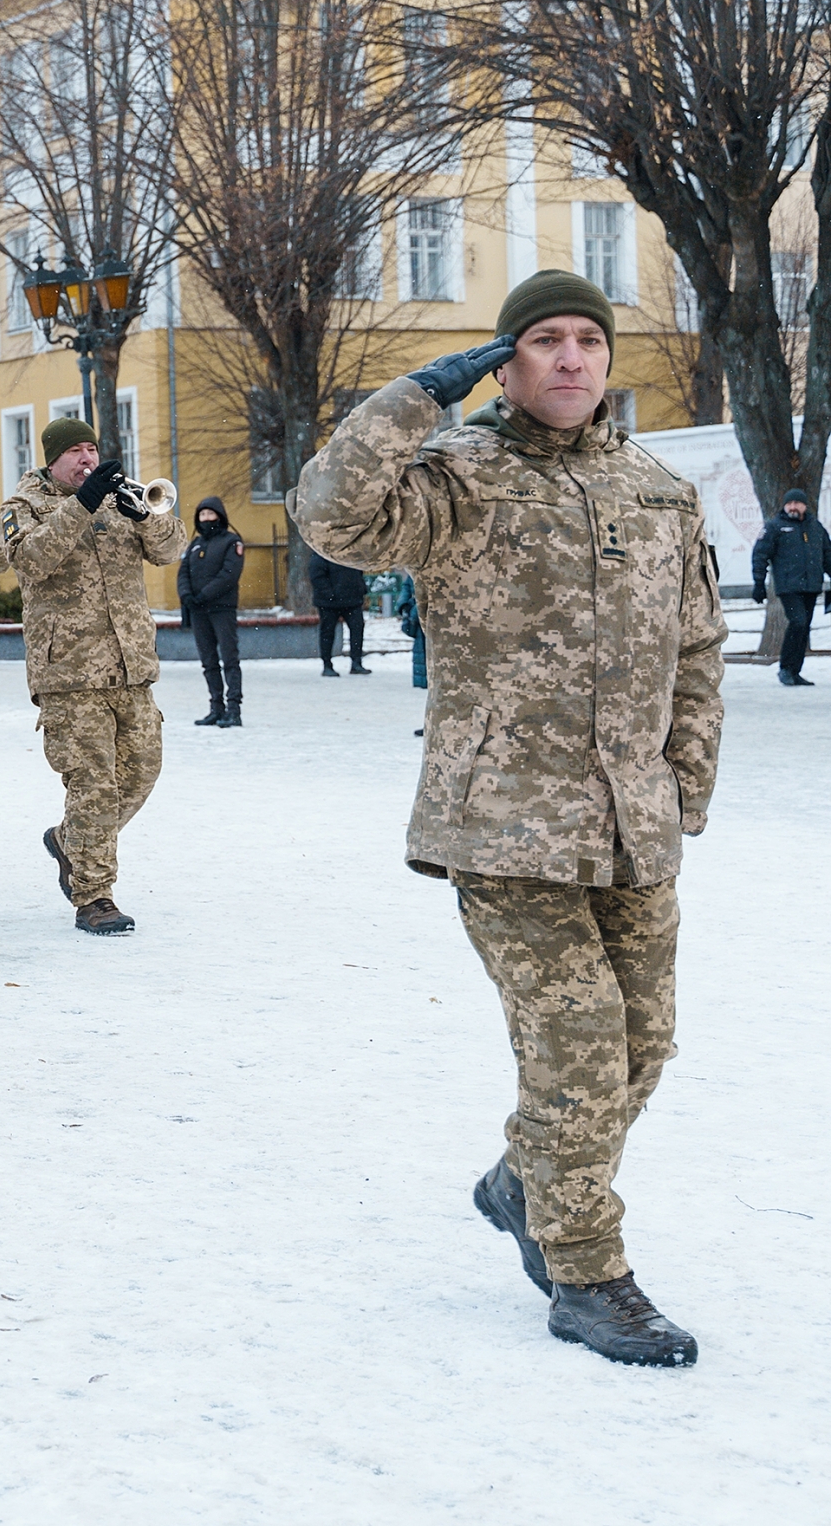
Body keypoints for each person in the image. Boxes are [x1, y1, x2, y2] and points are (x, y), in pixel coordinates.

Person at [293, 267, 723, 1368]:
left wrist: (684, 783)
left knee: (645, 1045)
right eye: (541, 340)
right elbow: (327, 516)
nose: (568, 358)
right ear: (507, 360)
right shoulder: (453, 481)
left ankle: (520, 1178)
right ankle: (585, 1270)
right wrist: (408, 400)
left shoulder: (657, 491)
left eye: (587, 338)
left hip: (633, 821)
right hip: (502, 822)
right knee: (578, 1051)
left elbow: (694, 649)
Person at [0, 417, 188, 935]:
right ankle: (94, 895)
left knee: (141, 774)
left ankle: (70, 842)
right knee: (94, 787)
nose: (86, 459)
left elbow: (171, 549)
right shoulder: (25, 507)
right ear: (52, 460)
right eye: (75, 453)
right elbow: (33, 561)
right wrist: (81, 506)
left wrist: (145, 517)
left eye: (91, 449)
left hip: (131, 668)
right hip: (69, 674)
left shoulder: (117, 498)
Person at [177, 497, 246, 727]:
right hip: (198, 611)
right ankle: (216, 707)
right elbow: (183, 572)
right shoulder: (195, 543)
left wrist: (204, 595)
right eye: (202, 515)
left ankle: (234, 709)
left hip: (221, 609)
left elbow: (229, 575)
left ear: (219, 516)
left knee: (229, 659)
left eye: (210, 514)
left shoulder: (231, 541)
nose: (206, 519)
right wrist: (187, 596)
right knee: (208, 661)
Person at [748, 486, 826, 686]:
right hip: (788, 587)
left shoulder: (815, 528)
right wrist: (758, 583)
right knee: (798, 622)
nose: (792, 507)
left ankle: (794, 671)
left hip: (811, 587)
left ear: (804, 506)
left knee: (803, 628)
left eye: (796, 503)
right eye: (789, 503)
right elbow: (760, 555)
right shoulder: (774, 527)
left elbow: (828, 556)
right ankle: (785, 668)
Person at [308, 548, 371, 676]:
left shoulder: (351, 552)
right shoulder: (322, 551)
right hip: (329, 603)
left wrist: (361, 589)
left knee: (357, 630)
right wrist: (330, 594)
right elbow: (317, 576)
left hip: (352, 600)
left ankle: (356, 663)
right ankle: (327, 665)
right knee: (328, 633)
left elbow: (358, 571)